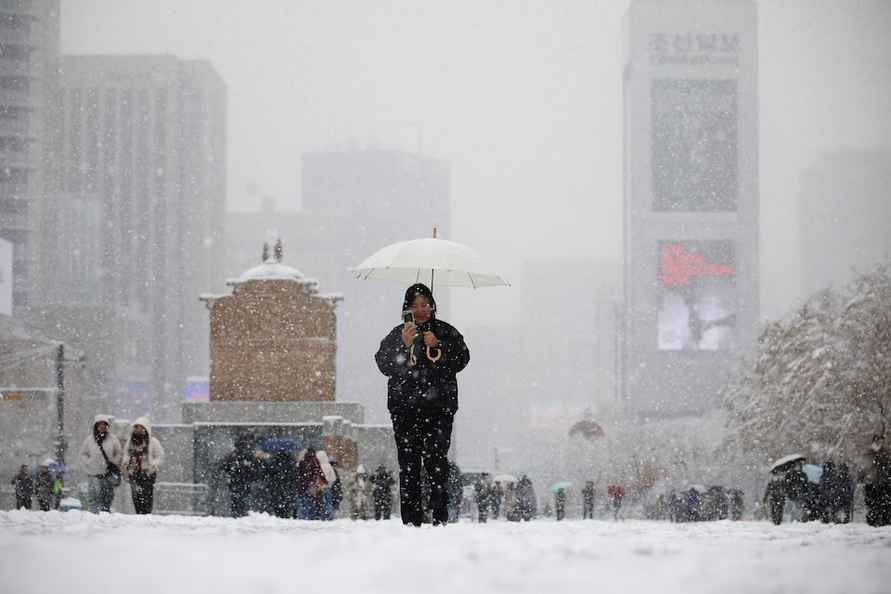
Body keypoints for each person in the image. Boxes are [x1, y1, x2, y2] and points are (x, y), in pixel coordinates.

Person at [375, 283, 470, 527]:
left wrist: (438, 345)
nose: (420, 310)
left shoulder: (446, 332)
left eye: (425, 304)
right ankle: (411, 520)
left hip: (439, 410)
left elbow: (462, 359)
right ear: (406, 308)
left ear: (432, 306)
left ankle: (439, 517)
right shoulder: (398, 333)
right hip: (404, 409)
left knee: (437, 462)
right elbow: (384, 365)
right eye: (415, 305)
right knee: (409, 465)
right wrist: (403, 346)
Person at [78, 414, 122, 513]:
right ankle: (93, 514)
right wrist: (88, 462)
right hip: (93, 473)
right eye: (100, 425)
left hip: (107, 473)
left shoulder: (113, 439)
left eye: (104, 425)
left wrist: (113, 462)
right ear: (96, 426)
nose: (102, 427)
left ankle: (105, 513)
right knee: (93, 495)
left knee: (107, 496)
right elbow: (83, 454)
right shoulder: (89, 439)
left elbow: (119, 452)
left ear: (107, 427)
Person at [121, 417, 164, 515]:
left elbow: (160, 456)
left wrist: (153, 465)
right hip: (134, 472)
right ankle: (139, 514)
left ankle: (146, 514)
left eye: (141, 427)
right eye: (136, 427)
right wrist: (126, 463)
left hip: (148, 473)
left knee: (147, 495)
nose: (138, 430)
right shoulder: (130, 442)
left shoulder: (153, 442)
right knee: (136, 495)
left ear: (146, 429)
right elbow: (126, 454)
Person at [220, 433, 260, 518]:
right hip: (244, 481)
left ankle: (237, 514)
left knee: (236, 500)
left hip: (235, 481)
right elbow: (255, 469)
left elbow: (224, 466)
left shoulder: (233, 456)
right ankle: (243, 514)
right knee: (243, 500)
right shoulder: (248, 456)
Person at [863, 434, 891, 527]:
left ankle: (884, 522)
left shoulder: (886, 453)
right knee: (872, 506)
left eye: (881, 441)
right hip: (871, 483)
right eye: (877, 441)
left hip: (884, 483)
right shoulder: (869, 453)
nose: (879, 443)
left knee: (885, 506)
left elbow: (886, 464)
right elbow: (866, 466)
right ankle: (873, 523)